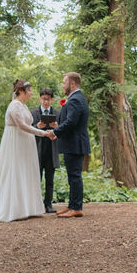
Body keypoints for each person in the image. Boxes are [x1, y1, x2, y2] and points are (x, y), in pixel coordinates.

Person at [0, 80, 54, 223]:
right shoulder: (14, 106)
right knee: (15, 171)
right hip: (16, 142)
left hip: (25, 143)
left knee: (25, 172)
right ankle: (14, 208)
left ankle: (28, 207)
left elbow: (28, 125)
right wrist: (44, 133)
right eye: (30, 91)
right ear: (21, 91)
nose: (32, 93)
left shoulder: (23, 105)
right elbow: (22, 126)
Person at [50, 72, 90, 218]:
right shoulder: (77, 98)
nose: (63, 84)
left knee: (74, 175)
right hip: (74, 143)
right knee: (72, 175)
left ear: (72, 84)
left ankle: (76, 208)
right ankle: (72, 205)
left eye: (64, 82)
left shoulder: (75, 100)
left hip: (74, 143)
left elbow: (71, 122)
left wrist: (56, 131)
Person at [31, 87, 61, 213]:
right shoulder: (33, 113)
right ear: (40, 99)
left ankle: (48, 204)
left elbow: (63, 131)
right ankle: (35, 205)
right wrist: (37, 127)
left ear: (52, 100)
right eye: (43, 99)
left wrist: (57, 127)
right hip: (37, 151)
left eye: (48, 99)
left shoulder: (58, 113)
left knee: (50, 180)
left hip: (51, 151)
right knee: (36, 180)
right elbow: (28, 130)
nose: (45, 102)